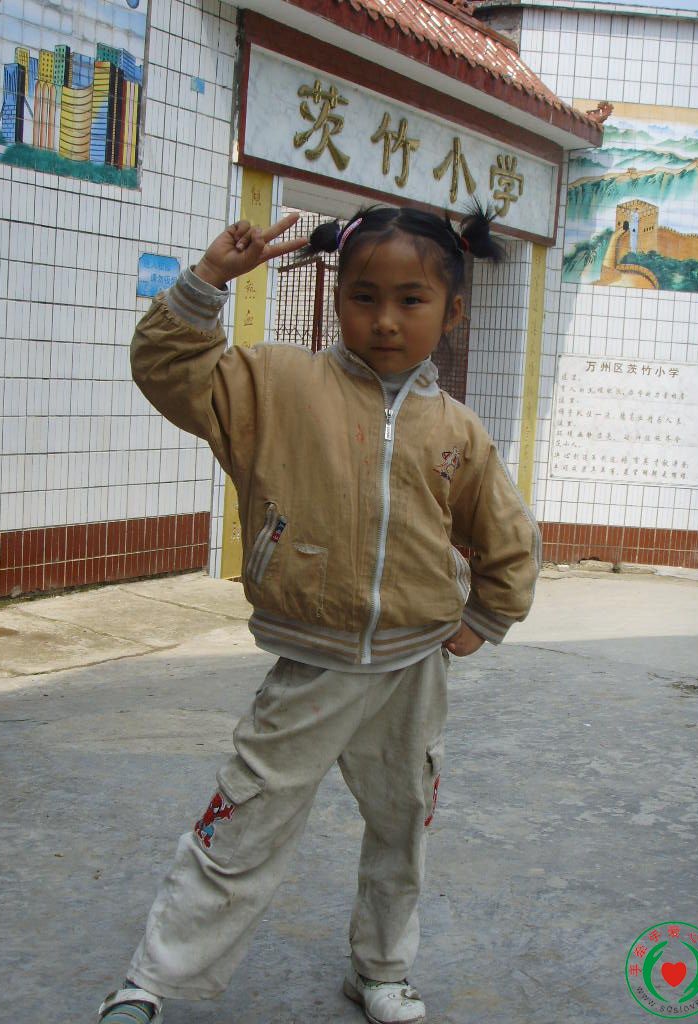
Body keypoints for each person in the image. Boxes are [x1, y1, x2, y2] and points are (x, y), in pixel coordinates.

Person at [97, 203, 541, 1024]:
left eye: (410, 300)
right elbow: (169, 370)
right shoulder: (277, 386)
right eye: (363, 297)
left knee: (402, 826)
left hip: (412, 670)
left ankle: (381, 970)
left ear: (452, 314)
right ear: (337, 301)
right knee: (242, 820)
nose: (385, 320)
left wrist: (487, 615)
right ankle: (150, 982)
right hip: (311, 664)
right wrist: (207, 281)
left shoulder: (458, 429)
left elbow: (508, 535)